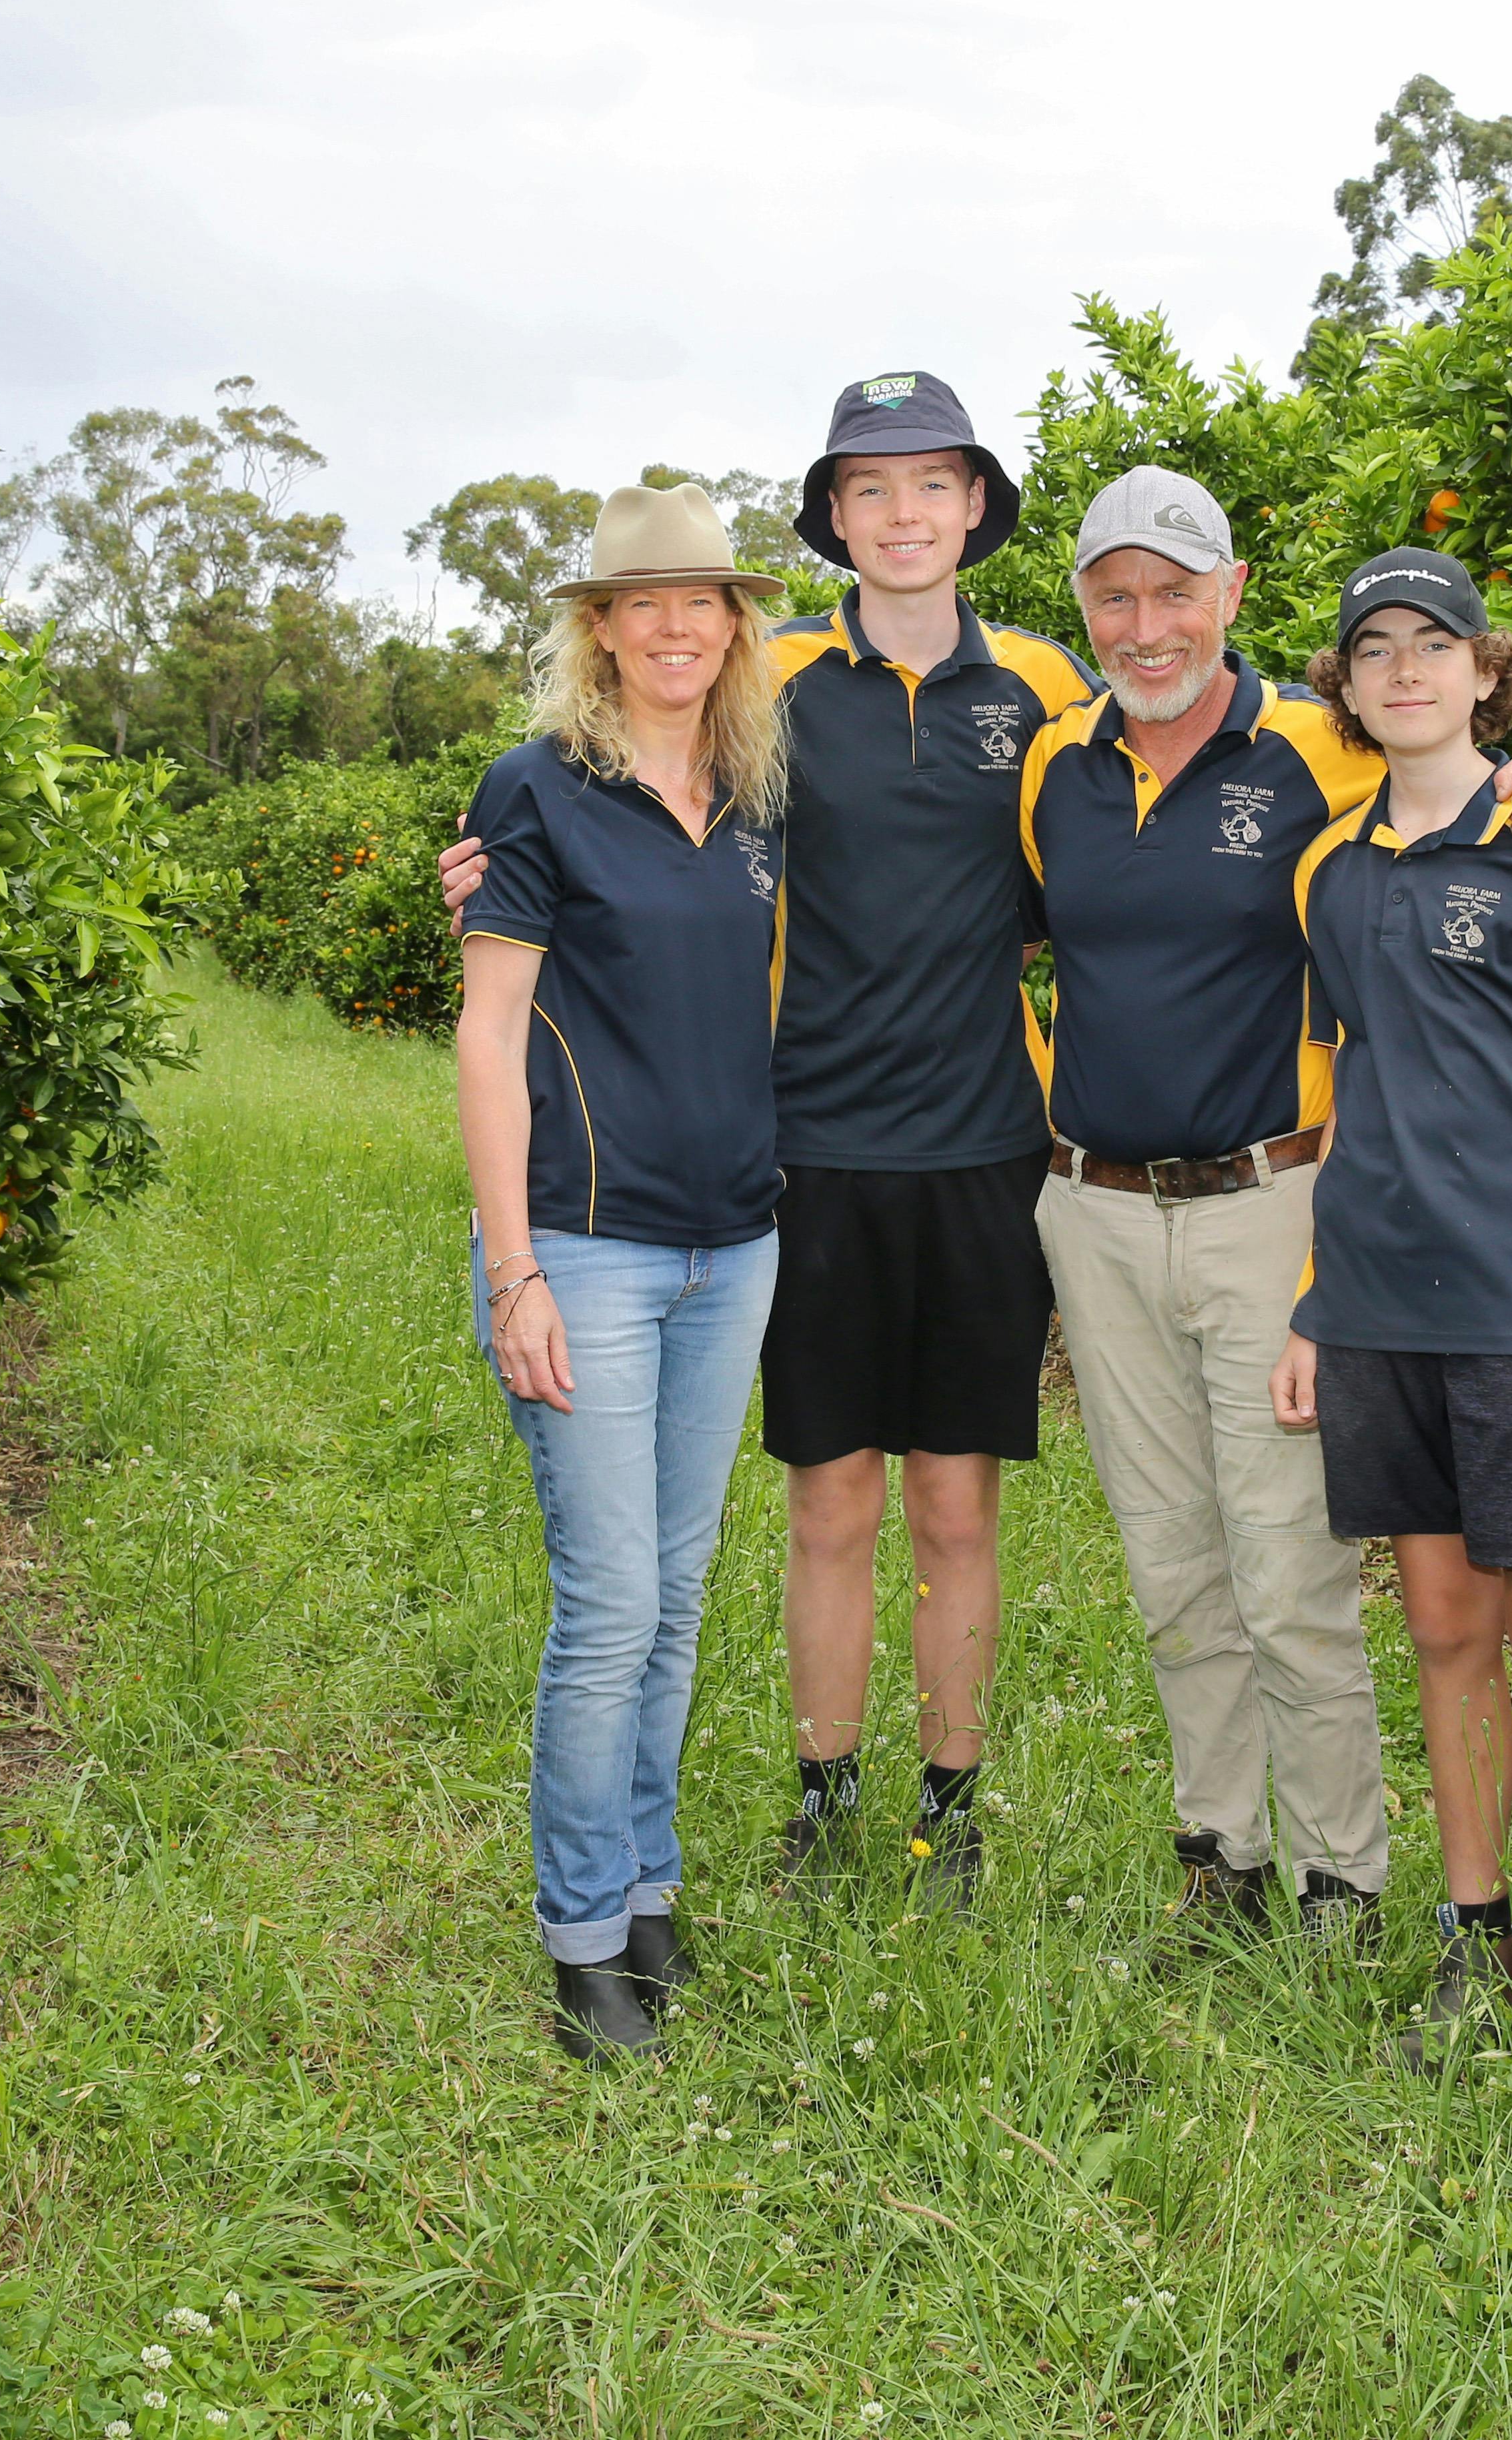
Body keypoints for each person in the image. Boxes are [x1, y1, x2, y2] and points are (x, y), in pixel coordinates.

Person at [448, 382, 1088, 1907]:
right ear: (835, 520)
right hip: (803, 1150)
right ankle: (826, 1790)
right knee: (832, 1497)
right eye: (873, 489)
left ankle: (952, 1804)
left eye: (934, 482)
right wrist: (489, 869)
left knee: (957, 1500)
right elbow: (615, 819)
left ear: (978, 505)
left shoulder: (1055, 683)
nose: (907, 513)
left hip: (991, 1146)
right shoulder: (775, 678)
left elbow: (1211, 752)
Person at [1018, 470, 1512, 1964]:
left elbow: (1455, 779)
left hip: (1272, 1201)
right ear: (1082, 604)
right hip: (1094, 1206)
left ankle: (1342, 1882)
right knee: (1171, 1561)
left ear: (1230, 593)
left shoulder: (1323, 743)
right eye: (1113, 594)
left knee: (1285, 1569)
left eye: (1175, 591)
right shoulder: (1050, 767)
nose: (1144, 626)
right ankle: (1224, 1851)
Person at [1269, 545, 1512, 2086]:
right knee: (1442, 1631)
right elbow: (1346, 1088)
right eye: (1376, 648)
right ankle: (1474, 1939)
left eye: (1435, 642)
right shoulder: (1331, 868)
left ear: (1486, 670)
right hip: (1379, 1306)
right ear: (1349, 689)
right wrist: (1317, 1300)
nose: (1407, 668)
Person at [454, 482, 790, 2058]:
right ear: (598, 624)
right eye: (642, 601)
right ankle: (585, 1930)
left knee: (679, 1591)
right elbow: (491, 1029)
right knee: (608, 1606)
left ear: (736, 624)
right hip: (582, 1246)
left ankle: (650, 1880)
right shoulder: (534, 790)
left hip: (737, 1243)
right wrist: (511, 1267)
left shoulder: (759, 798)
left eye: (701, 600)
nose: (674, 625)